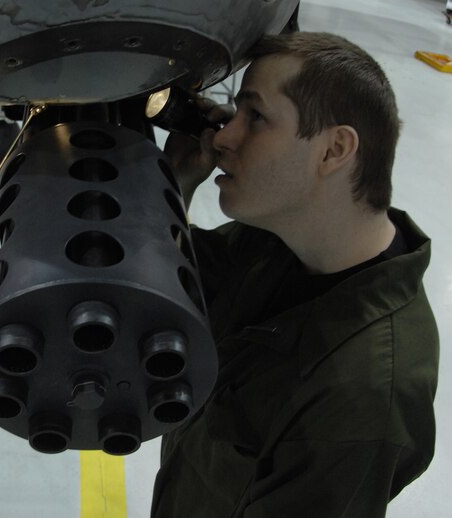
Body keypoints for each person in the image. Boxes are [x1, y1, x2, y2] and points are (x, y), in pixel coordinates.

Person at [152, 32, 439, 517]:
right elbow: (169, 284)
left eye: (255, 117)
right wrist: (174, 185)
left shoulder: (362, 391)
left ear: (333, 150)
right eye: (233, 114)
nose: (222, 137)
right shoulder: (280, 240)